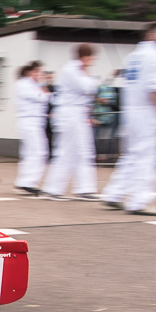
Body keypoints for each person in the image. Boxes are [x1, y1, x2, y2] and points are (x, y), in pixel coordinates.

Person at [101, 21, 156, 216]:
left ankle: (114, 193)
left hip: (130, 111)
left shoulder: (133, 56)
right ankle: (140, 201)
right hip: (147, 111)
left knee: (131, 155)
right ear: (152, 35)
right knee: (147, 157)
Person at [41, 44, 100, 200]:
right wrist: (90, 75)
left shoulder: (77, 69)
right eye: (91, 57)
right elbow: (88, 88)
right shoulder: (72, 69)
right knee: (66, 152)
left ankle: (84, 189)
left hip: (78, 113)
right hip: (70, 113)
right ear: (85, 56)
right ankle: (53, 189)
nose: (92, 60)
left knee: (84, 151)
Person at [13, 61, 49, 196]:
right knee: (39, 152)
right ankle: (28, 182)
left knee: (29, 153)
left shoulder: (30, 85)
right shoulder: (24, 84)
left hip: (34, 122)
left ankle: (23, 181)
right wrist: (43, 88)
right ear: (30, 71)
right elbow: (42, 97)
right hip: (29, 122)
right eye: (37, 72)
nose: (39, 75)